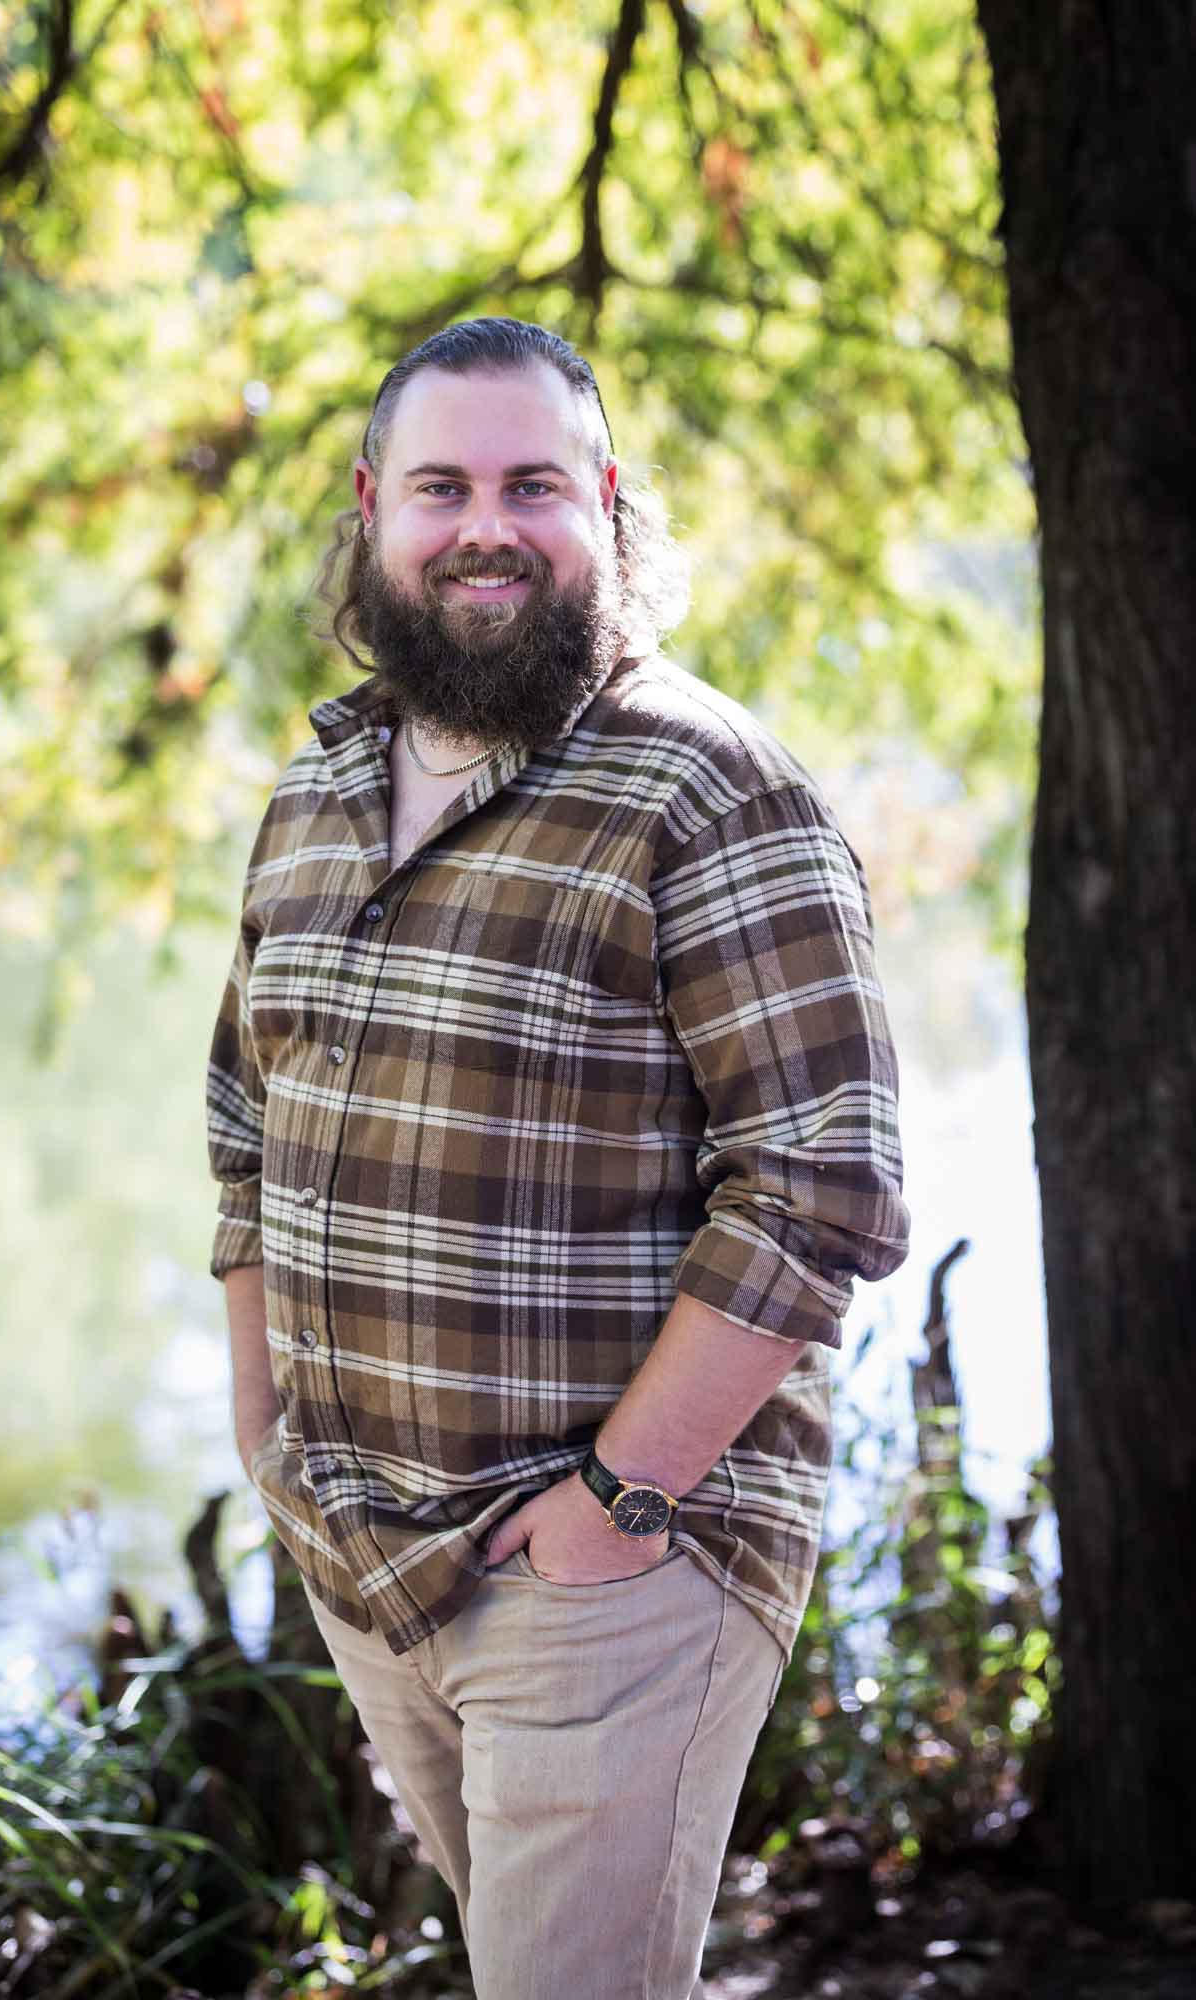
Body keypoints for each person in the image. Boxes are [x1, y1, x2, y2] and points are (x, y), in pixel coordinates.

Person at [207, 317, 910, 1999]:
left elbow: (823, 1184)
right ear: (374, 510)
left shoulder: (706, 784)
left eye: (533, 483)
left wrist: (616, 1503)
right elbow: (245, 1118)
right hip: (371, 1556)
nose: (484, 525)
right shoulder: (322, 783)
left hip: (608, 1571)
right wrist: (265, 1431)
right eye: (441, 485)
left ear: (603, 505)